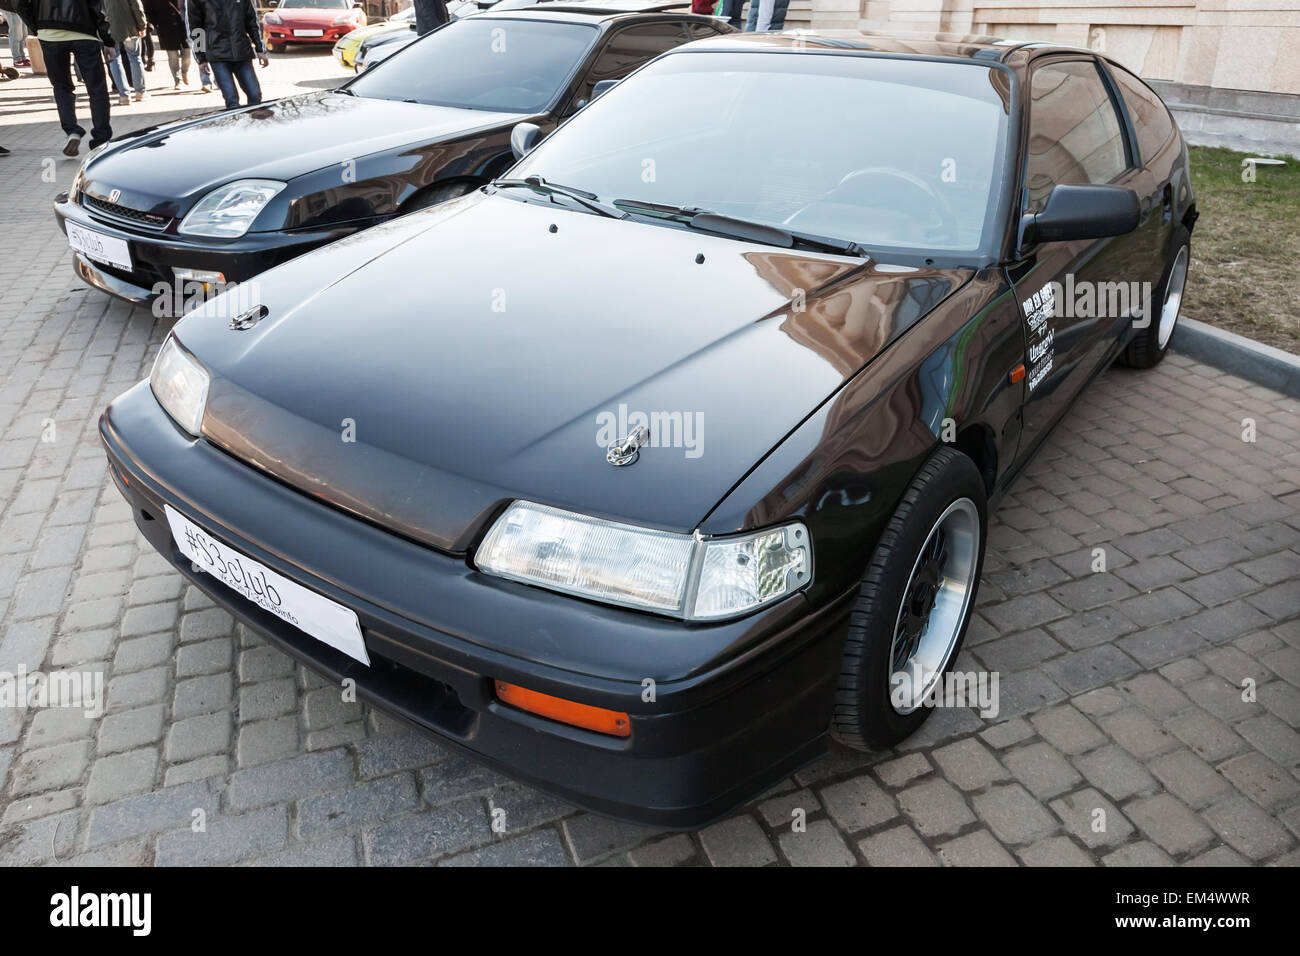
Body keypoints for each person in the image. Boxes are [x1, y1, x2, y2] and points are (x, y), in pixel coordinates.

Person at [15, 0, 114, 154]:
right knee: (97, 89)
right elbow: (98, 7)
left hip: (49, 34)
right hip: (85, 33)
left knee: (61, 87)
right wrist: (107, 39)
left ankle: (72, 130)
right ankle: (101, 138)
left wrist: (38, 27)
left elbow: (20, 4)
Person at [186, 0, 265, 108]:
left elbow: (252, 22)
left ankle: (253, 122)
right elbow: (195, 28)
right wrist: (201, 59)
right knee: (231, 100)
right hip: (217, 55)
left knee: (255, 95)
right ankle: (237, 123)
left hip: (242, 52)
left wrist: (260, 49)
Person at [103, 0, 147, 102]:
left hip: (108, 28)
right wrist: (142, 25)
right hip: (129, 26)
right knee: (135, 58)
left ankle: (124, 95)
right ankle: (140, 92)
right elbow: (137, 6)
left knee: (114, 60)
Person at [142, 0, 186, 87]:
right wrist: (156, 23)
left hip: (183, 25)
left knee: (187, 54)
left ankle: (184, 71)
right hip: (165, 27)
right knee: (173, 56)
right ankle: (177, 80)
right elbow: (148, 10)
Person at [2, 0, 32, 68]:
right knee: (15, 33)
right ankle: (17, 59)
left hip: (20, 7)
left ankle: (22, 57)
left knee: (24, 34)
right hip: (9, 7)